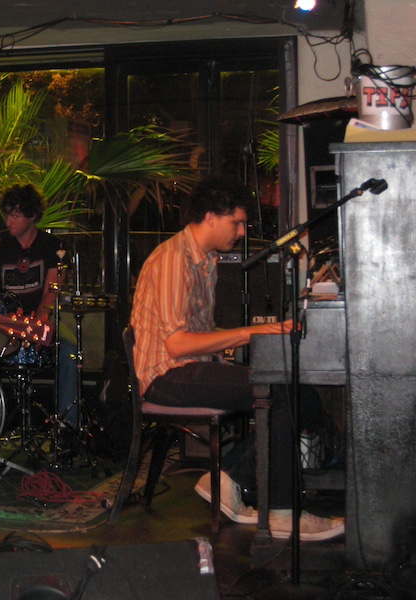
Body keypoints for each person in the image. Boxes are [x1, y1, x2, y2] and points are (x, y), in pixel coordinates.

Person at [130, 176, 344, 541]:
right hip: (165, 377)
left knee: (300, 396)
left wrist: (249, 345)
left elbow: (199, 337)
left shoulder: (205, 261)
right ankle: (279, 510)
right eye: (237, 223)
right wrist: (251, 333)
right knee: (284, 395)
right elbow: (177, 345)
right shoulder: (172, 260)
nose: (242, 232)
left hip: (188, 370)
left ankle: (229, 477)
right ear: (211, 217)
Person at [0, 184, 78, 434]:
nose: (9, 220)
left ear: (32, 216)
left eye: (16, 214)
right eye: (7, 214)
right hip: (6, 324)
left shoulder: (52, 246)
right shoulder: (1, 245)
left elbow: (52, 290)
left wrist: (37, 321)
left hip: (38, 320)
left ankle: (68, 426)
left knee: (69, 350)